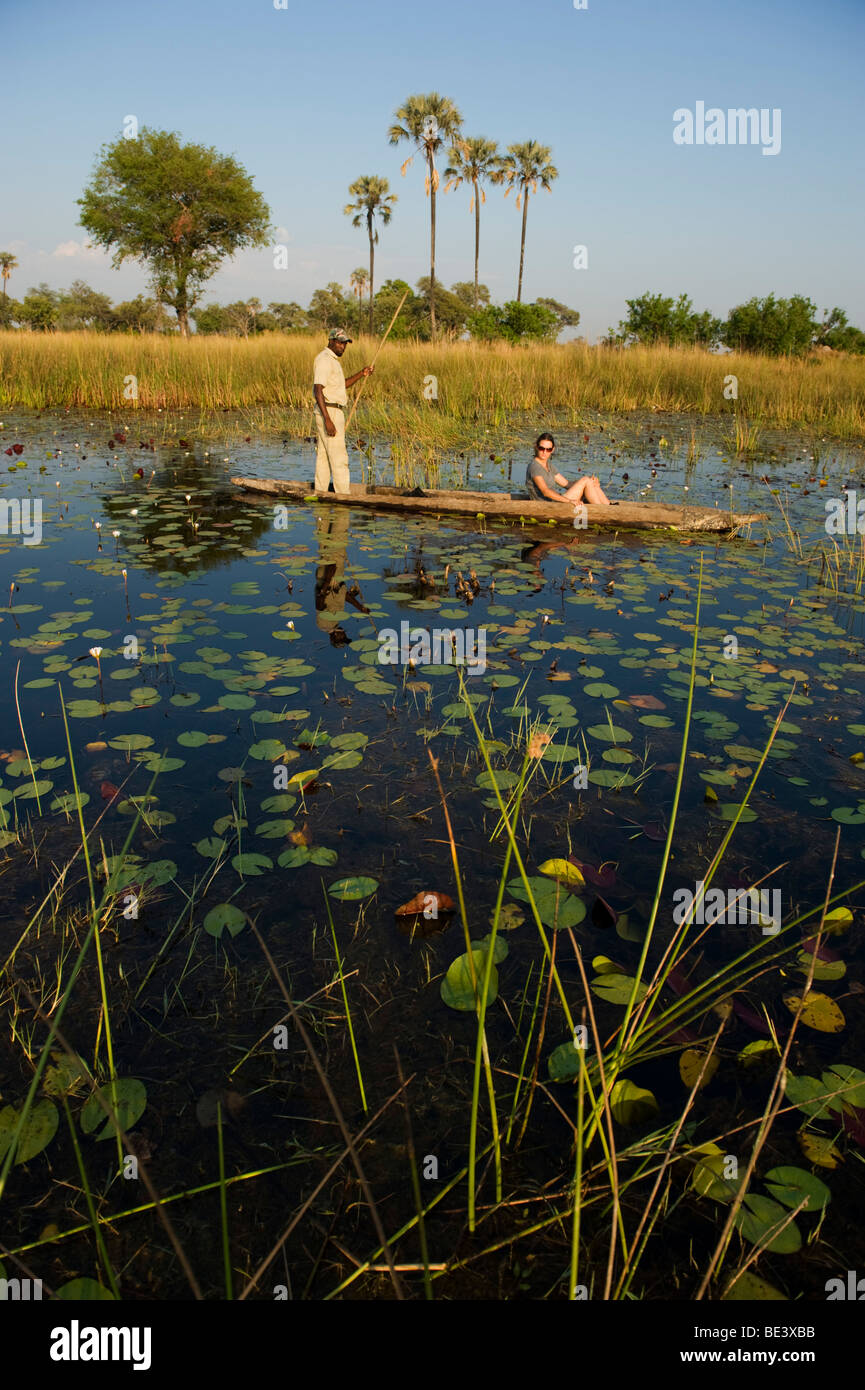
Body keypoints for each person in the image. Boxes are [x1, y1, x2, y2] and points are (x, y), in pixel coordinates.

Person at [312, 328, 373, 494]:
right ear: (331, 341)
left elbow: (341, 385)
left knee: (324, 457)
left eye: (345, 344)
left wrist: (362, 373)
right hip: (329, 411)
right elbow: (317, 390)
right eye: (340, 343)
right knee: (339, 458)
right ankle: (342, 496)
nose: (343, 347)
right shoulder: (324, 360)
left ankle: (320, 492)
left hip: (332, 411)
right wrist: (328, 420)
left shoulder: (333, 361)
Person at [525, 433, 611, 504]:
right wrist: (569, 501)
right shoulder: (534, 467)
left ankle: (608, 506)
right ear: (537, 447)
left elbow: (567, 484)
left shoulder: (549, 465)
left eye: (548, 449)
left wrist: (591, 482)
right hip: (546, 505)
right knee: (586, 480)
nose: (544, 452)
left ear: (552, 450)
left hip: (555, 501)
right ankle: (602, 509)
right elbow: (545, 491)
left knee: (590, 481)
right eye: (541, 448)